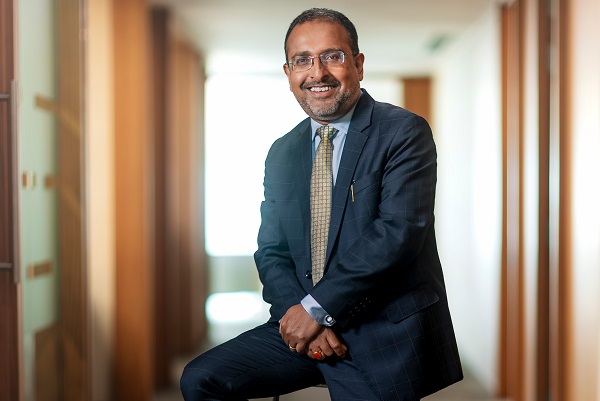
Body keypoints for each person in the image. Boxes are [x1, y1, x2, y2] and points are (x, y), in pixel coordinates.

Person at [181, 8, 463, 401]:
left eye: (332, 56)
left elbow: (397, 233)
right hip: (304, 321)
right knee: (201, 379)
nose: (317, 72)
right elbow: (272, 249)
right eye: (302, 60)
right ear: (288, 74)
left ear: (358, 65)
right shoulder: (282, 151)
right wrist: (298, 315)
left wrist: (317, 310)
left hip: (380, 330)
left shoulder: (402, 131)